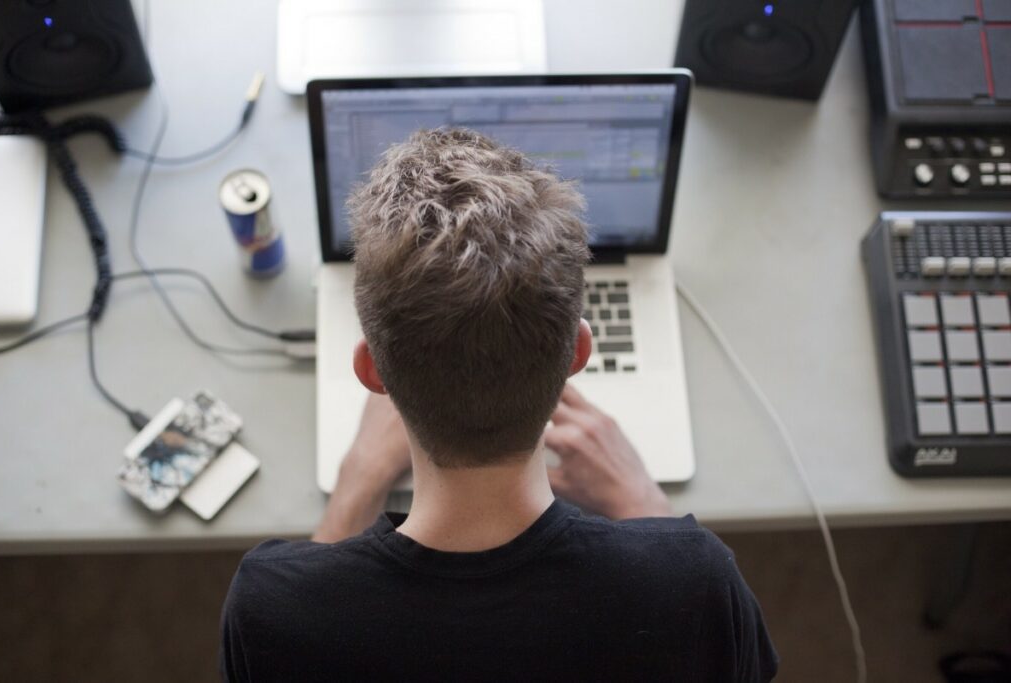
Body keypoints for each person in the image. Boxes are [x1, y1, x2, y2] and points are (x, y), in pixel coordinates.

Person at [220, 128, 778, 681]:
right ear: (578, 352)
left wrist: (358, 481)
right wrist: (643, 501)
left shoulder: (270, 607)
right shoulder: (695, 583)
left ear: (371, 371)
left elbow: (316, 608)